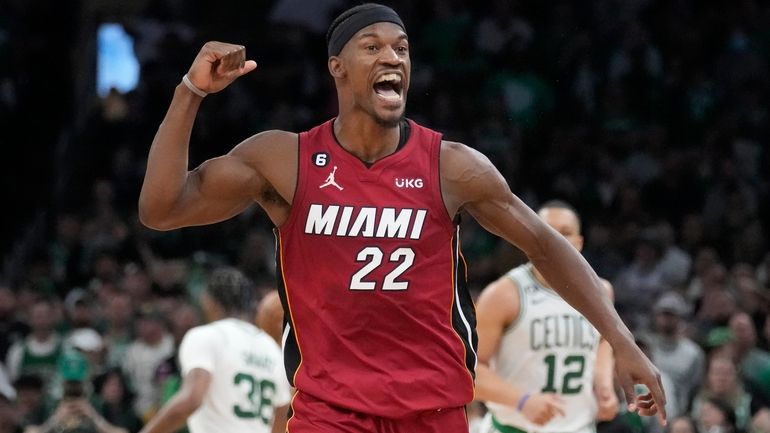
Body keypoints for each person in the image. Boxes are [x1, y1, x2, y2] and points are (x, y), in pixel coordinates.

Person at [138, 3, 666, 431]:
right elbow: (161, 209)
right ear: (337, 68)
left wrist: (621, 341)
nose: (393, 57)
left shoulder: (452, 167)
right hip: (330, 412)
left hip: (430, 412)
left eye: (402, 48)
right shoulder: (284, 160)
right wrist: (192, 92)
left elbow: (547, 246)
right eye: (373, 47)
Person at [474, 200, 619, 433]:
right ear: (530, 237)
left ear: (579, 243)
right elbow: (468, 371)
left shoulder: (601, 292)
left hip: (579, 427)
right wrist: (521, 400)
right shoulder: (503, 294)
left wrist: (603, 384)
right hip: (514, 428)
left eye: (566, 233)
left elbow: (604, 340)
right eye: (546, 231)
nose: (556, 240)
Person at [139, 267, 290, 433]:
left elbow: (192, 399)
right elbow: (282, 415)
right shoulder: (271, 348)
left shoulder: (206, 335)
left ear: (209, 300)